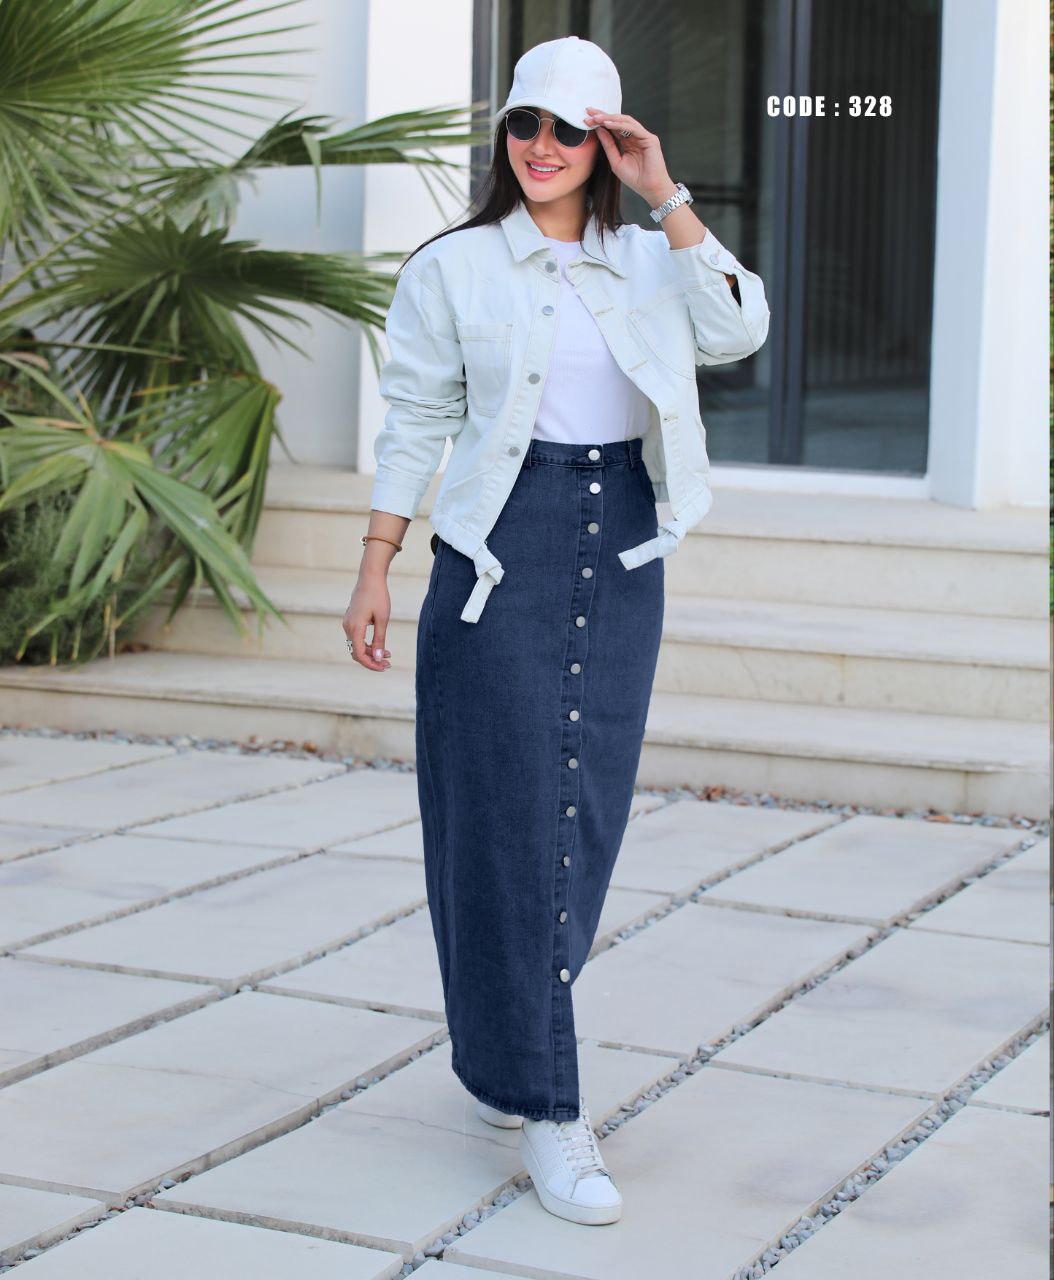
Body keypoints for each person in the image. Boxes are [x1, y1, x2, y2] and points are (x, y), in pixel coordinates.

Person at [343, 35, 770, 1226]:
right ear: (505, 136)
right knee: (505, 825)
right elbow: (416, 417)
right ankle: (550, 1100)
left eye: (570, 130)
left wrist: (666, 195)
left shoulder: (650, 257)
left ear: (607, 143)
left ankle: (503, 1050)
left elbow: (738, 331)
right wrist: (375, 563)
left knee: (581, 820)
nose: (541, 147)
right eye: (525, 124)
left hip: (621, 546)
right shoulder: (453, 266)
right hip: (499, 552)